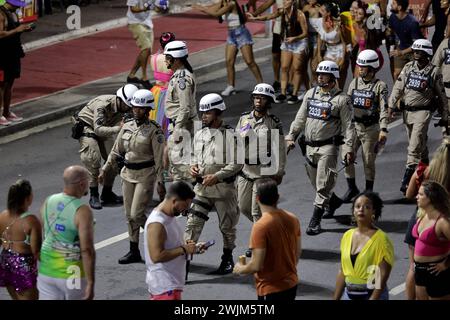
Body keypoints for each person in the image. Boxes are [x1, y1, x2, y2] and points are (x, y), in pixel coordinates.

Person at [285, 60, 355, 235]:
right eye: (318, 74)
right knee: (316, 183)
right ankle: (334, 202)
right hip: (309, 148)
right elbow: (300, 118)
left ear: (333, 77)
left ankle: (315, 221)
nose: (319, 77)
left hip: (328, 149)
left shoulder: (342, 100)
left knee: (323, 184)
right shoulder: (311, 94)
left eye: (323, 74)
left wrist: (348, 150)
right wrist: (291, 136)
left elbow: (349, 128)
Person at [101, 89, 165, 264]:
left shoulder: (155, 131)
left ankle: (159, 238)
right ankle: (134, 250)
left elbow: (159, 159)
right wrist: (105, 170)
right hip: (127, 174)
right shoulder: (127, 126)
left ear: (148, 109)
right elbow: (116, 150)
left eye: (140, 108)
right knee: (129, 215)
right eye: (134, 107)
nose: (136, 111)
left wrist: (161, 181)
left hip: (145, 175)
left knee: (137, 214)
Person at [185, 93, 242, 275]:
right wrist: (192, 166)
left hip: (223, 190)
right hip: (201, 189)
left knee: (227, 227)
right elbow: (194, 156)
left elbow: (237, 163)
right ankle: (185, 260)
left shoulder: (231, 135)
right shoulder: (200, 134)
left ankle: (227, 259)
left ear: (218, 113)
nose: (203, 116)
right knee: (192, 224)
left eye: (207, 113)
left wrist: (217, 176)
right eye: (202, 113)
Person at [388, 39, 448, 194]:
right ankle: (426, 167)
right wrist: (391, 105)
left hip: (423, 112)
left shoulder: (434, 72)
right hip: (407, 113)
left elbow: (441, 97)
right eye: (415, 51)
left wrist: (445, 116)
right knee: (419, 145)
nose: (416, 54)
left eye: (419, 51)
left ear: (427, 54)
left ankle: (407, 180)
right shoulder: (408, 68)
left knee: (413, 147)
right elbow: (398, 88)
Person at [233, 178, 301, 301]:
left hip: (270, 289)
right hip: (291, 284)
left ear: (257, 199)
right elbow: (297, 253)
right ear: (278, 197)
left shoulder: (260, 226)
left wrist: (240, 269)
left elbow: (256, 265)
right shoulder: (293, 218)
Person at [76, 84, 138, 210]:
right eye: (127, 106)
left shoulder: (127, 108)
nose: (129, 109)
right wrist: (118, 128)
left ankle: (107, 193)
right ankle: (94, 194)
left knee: (114, 158)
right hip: (88, 127)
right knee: (92, 158)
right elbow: (98, 129)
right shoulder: (103, 105)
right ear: (120, 100)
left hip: (107, 127)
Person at [37, 165, 95, 300]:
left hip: (47, 270)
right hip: (71, 273)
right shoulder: (82, 210)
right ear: (82, 184)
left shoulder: (49, 200)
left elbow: (42, 230)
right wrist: (91, 282)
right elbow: (87, 249)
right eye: (88, 180)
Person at [403, 137, 450, 300]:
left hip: (419, 220)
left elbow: (408, 194)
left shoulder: (424, 170)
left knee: (413, 268)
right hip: (437, 225)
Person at [341, 50, 389, 202]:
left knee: (368, 161)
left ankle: (369, 192)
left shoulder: (380, 86)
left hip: (371, 129)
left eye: (363, 66)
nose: (360, 69)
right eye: (359, 66)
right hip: (354, 127)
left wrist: (383, 129)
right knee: (346, 157)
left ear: (372, 68)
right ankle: (351, 188)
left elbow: (384, 109)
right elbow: (346, 106)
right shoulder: (353, 83)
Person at [145, 181, 204, 300]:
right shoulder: (157, 223)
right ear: (174, 200)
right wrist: (184, 249)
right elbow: (156, 256)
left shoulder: (169, 217)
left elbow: (172, 244)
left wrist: (193, 248)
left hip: (172, 285)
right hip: (165, 287)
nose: (185, 209)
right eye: (185, 205)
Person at [236, 83, 286, 224]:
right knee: (243, 207)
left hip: (262, 173)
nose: (258, 101)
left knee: (256, 211)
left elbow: (280, 149)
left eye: (263, 98)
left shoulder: (273, 123)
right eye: (256, 98)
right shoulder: (244, 119)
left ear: (269, 101)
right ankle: (269, 228)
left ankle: (259, 243)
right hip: (245, 171)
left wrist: (280, 171)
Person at [193, 0, 263, 96]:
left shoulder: (232, 4)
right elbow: (211, 9)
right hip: (231, 34)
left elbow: (215, 13)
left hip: (241, 33)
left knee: (249, 61)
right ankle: (231, 86)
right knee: (229, 61)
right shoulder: (223, 3)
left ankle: (261, 84)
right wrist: (202, 7)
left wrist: (200, 8)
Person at [334, 192, 394, 300]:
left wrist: (374, 298)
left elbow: (383, 274)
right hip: (348, 295)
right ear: (353, 211)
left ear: (373, 212)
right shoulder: (347, 236)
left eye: (367, 207)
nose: (361, 209)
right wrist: (335, 298)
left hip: (371, 295)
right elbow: (343, 271)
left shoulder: (381, 239)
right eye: (357, 206)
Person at [249, 0, 309, 105]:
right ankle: (282, 93)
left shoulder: (300, 14)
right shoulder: (282, 11)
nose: (285, 2)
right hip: (287, 42)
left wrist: (295, 38)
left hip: (298, 42)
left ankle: (294, 95)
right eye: (284, 0)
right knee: (284, 67)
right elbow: (269, 17)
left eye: (287, 0)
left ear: (293, 2)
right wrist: (255, 18)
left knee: (297, 69)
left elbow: (305, 33)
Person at [164, 40, 198, 183]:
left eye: (168, 57)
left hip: (182, 127)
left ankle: (201, 198)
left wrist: (177, 130)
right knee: (178, 169)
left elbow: (185, 107)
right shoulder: (182, 74)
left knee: (183, 169)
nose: (165, 60)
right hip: (182, 125)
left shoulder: (181, 79)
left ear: (176, 59)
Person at [0, 180, 41, 300]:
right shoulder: (31, 221)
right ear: (27, 198)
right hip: (23, 267)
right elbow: (36, 251)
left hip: (6, 262)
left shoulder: (2, 216)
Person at [413, 181, 450, 300]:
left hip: (435, 272)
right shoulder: (422, 215)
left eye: (421, 194)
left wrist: (445, 264)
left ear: (430, 198)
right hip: (419, 271)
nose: (416, 196)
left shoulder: (443, 222)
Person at [0, 0, 33, 126]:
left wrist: (23, 29)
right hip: (2, 55)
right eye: (18, 5)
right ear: (11, 3)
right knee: (1, 85)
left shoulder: (12, 13)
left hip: (13, 53)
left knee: (10, 83)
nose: (18, 8)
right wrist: (17, 29)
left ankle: (7, 112)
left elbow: (14, 29)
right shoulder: (1, 14)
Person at [126, 0, 169, 88]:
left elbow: (156, 8)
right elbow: (133, 9)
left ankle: (131, 76)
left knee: (146, 52)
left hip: (148, 24)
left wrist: (162, 9)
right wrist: (147, 7)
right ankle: (144, 77)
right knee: (146, 49)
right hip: (135, 23)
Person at [247, 0, 284, 92]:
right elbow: (266, 5)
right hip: (278, 29)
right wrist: (254, 14)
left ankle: (290, 82)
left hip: (292, 29)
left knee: (288, 58)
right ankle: (276, 81)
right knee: (275, 55)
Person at [386, 0, 423, 81]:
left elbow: (417, 45)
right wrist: (388, 32)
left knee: (415, 75)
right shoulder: (392, 17)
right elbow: (390, 30)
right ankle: (398, 93)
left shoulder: (412, 22)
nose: (391, 5)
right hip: (401, 48)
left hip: (414, 51)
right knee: (397, 74)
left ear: (399, 7)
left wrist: (401, 52)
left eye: (394, 3)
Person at [314, 2, 347, 88]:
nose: (320, 11)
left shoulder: (338, 24)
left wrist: (343, 58)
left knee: (336, 73)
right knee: (326, 72)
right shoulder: (319, 22)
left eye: (322, 10)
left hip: (339, 50)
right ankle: (327, 91)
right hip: (329, 49)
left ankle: (338, 92)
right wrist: (318, 54)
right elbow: (319, 38)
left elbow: (344, 42)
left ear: (328, 13)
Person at [149, 32, 176, 137]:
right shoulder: (174, 60)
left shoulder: (153, 58)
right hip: (168, 93)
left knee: (156, 124)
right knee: (169, 127)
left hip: (155, 92)